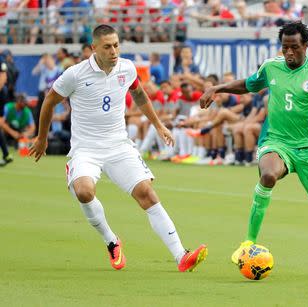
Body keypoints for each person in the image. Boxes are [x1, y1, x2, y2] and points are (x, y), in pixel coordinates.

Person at [199, 21, 308, 277]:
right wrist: (217, 88)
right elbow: (248, 84)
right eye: (285, 48)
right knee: (269, 174)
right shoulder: (271, 66)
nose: (289, 53)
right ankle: (248, 243)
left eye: (294, 47)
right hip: (276, 142)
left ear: (306, 45)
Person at [29, 25, 207, 272]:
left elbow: (141, 95)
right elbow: (49, 100)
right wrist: (41, 137)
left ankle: (181, 255)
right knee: (83, 192)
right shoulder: (75, 74)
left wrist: (158, 125)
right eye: (107, 46)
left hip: (119, 146)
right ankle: (111, 241)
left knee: (147, 193)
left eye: (116, 45)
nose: (113, 51)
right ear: (94, 48)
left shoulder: (127, 67)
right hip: (86, 149)